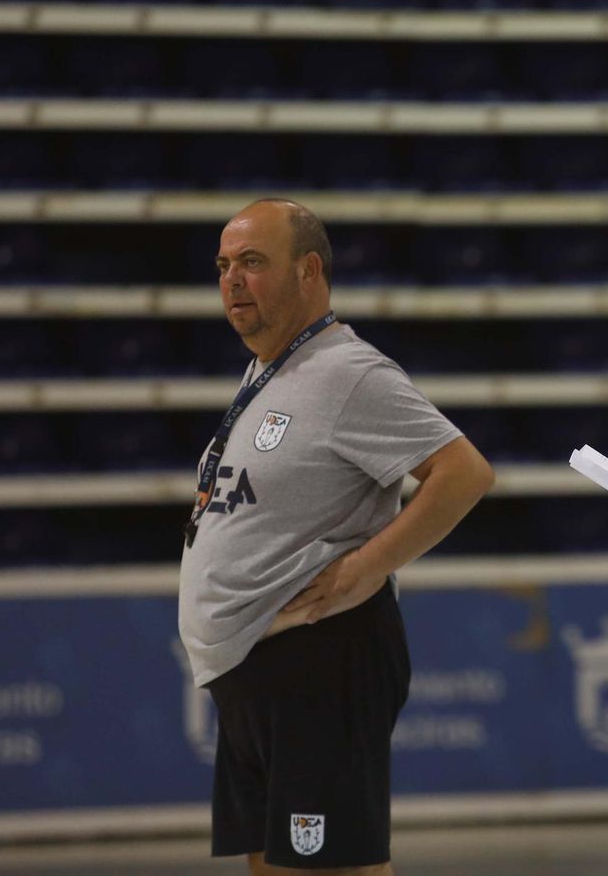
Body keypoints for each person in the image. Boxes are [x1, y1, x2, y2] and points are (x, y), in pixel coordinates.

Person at [179, 198, 493, 876]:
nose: (232, 279)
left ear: (308, 271)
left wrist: (370, 565)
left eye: (253, 263)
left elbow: (463, 471)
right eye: (224, 265)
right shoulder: (269, 367)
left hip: (318, 662)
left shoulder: (348, 372)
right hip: (258, 671)